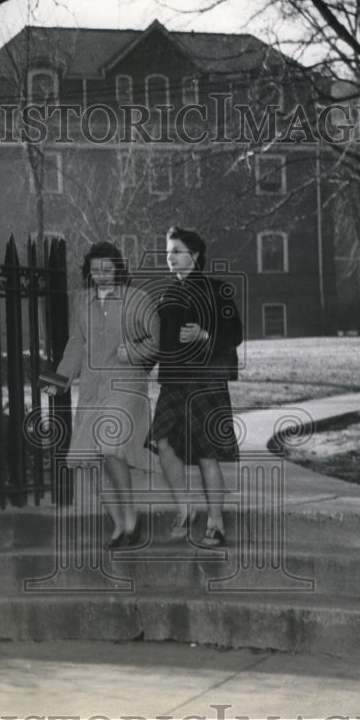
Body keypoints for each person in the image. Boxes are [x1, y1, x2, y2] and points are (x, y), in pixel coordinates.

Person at [43, 241, 158, 548]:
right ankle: (120, 526)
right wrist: (60, 378)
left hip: (126, 384)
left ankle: (131, 517)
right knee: (93, 457)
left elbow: (158, 340)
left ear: (118, 268)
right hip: (93, 388)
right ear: (88, 272)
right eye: (95, 270)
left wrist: (132, 351)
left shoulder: (137, 299)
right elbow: (76, 346)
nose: (102, 275)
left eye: (107, 268)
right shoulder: (82, 302)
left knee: (110, 446)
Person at [148, 226, 242, 547]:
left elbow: (235, 334)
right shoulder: (167, 295)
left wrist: (204, 335)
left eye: (176, 251)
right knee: (162, 441)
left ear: (195, 255)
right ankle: (185, 507)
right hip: (173, 382)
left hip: (206, 382)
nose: (170, 257)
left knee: (206, 455)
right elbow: (159, 343)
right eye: (168, 251)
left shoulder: (218, 290)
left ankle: (216, 523)